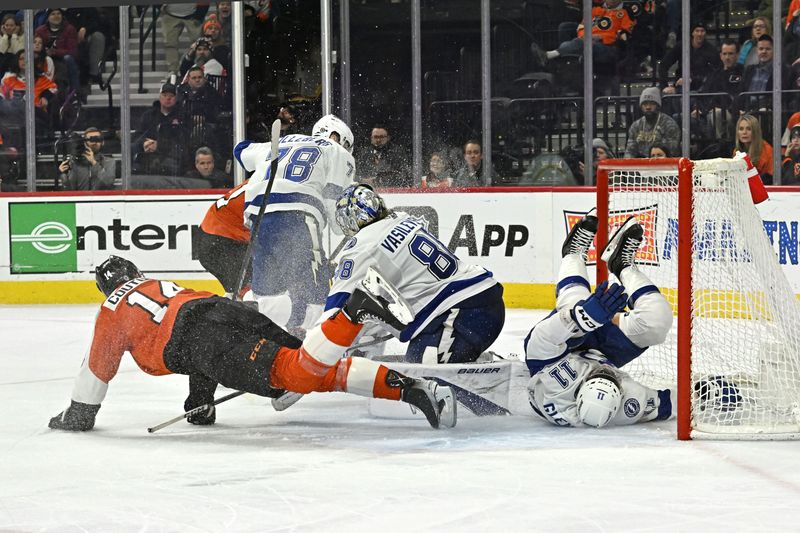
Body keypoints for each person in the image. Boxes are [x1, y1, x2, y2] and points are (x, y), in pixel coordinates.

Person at [48, 256, 456, 431]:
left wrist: (77, 417)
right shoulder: (158, 284)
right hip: (225, 312)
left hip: (206, 338)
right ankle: (411, 389)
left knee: (294, 375)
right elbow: (190, 330)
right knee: (308, 368)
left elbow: (95, 375)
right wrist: (199, 401)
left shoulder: (112, 308)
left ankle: (354, 311)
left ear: (106, 288)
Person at [524, 210, 675, 427]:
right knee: (657, 323)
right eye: (611, 378)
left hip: (561, 350)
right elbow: (669, 404)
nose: (606, 372)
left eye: (598, 376)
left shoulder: (554, 385)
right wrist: (704, 396)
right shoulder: (628, 406)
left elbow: (538, 340)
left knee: (576, 303)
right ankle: (622, 265)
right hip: (604, 350)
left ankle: (573, 254)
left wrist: (583, 317)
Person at [325, 184, 505, 364]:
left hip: (462, 315)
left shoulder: (361, 247)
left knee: (422, 376)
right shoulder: (402, 219)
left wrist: (310, 348)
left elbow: (332, 313)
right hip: (484, 301)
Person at [238, 114, 356, 334]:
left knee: (269, 289)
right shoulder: (337, 151)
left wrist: (274, 139)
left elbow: (241, 150)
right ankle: (312, 341)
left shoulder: (281, 141)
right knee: (314, 290)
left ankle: (262, 322)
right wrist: (344, 229)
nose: (346, 149)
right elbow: (333, 198)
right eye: (346, 144)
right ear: (335, 135)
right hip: (299, 212)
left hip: (259, 213)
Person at [197, 181, 251, 297]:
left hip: (214, 239)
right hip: (221, 244)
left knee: (240, 293)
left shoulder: (262, 180)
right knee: (246, 293)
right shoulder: (269, 189)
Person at [132, 82, 189, 176]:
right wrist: (145, 143)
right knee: (133, 147)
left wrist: (159, 145)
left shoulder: (182, 116)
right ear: (159, 97)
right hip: (148, 154)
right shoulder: (149, 115)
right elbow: (138, 135)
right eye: (165, 95)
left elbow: (183, 141)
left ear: (176, 98)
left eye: (171, 95)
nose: (168, 98)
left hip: (172, 156)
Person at [694, 39, 744, 139]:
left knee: (717, 114)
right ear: (721, 56)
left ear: (737, 55)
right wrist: (698, 108)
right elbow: (703, 94)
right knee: (682, 116)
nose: (727, 57)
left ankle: (722, 147)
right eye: (725, 54)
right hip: (710, 112)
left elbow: (739, 96)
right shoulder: (714, 74)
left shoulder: (743, 73)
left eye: (731, 54)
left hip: (733, 114)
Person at [657, 22, 720, 95]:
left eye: (702, 31)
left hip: (703, 86)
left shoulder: (711, 50)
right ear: (692, 33)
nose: (699, 34)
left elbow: (717, 70)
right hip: (681, 86)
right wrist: (664, 86)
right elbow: (664, 65)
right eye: (697, 31)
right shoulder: (681, 46)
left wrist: (693, 79)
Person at [623, 87, 681, 158]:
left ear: (658, 106)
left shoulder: (669, 124)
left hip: (663, 164)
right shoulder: (636, 126)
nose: (648, 107)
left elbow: (671, 152)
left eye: (652, 104)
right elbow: (629, 151)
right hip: (641, 165)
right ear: (641, 107)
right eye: (645, 104)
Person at [34, 8, 79, 93]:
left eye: (58, 14)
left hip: (63, 60)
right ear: (47, 17)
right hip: (45, 59)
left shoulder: (70, 29)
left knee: (68, 59)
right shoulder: (40, 31)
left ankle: (75, 93)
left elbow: (73, 51)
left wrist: (54, 52)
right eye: (53, 14)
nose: (56, 16)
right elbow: (36, 46)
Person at [160, 3, 209, 77]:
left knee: (199, 43)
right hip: (170, 14)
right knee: (169, 43)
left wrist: (200, 12)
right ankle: (172, 71)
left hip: (193, 15)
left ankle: (200, 68)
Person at [734, 114, 773, 183]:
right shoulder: (737, 151)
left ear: (755, 131)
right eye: (741, 129)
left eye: (749, 129)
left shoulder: (767, 150)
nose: (744, 132)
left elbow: (771, 177)